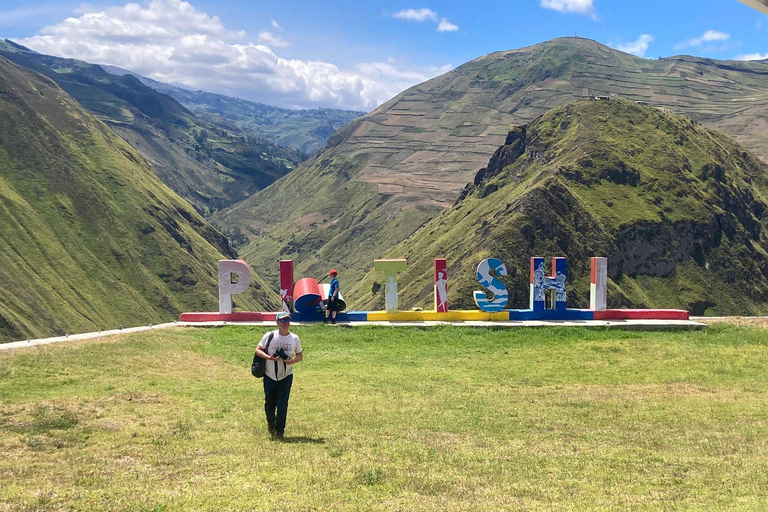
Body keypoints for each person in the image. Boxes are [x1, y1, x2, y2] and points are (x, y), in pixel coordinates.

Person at [254, 311, 303, 440]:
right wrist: (269, 357)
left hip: (286, 376)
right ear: (277, 322)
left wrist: (291, 361)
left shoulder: (294, 338)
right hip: (270, 375)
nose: (286, 323)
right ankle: (271, 423)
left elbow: (300, 355)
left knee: (282, 405)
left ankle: (279, 431)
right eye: (283, 320)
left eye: (288, 320)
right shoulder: (270, 336)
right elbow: (258, 350)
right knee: (269, 404)